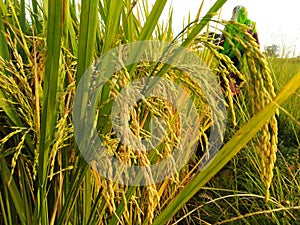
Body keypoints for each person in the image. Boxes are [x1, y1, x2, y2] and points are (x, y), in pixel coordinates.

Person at [219, 5, 259, 95]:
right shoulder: (251, 25)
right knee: (237, 81)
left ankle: (224, 100)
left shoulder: (229, 25)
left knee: (224, 81)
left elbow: (221, 42)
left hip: (225, 57)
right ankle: (235, 99)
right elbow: (257, 44)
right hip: (240, 57)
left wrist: (218, 54)